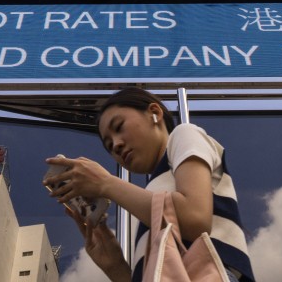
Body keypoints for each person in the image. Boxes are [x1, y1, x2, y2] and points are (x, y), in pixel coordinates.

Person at [44, 88, 254, 282]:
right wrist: (115, 265)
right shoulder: (152, 197)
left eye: (119, 127)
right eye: (108, 146)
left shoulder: (184, 134)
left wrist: (105, 183)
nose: (116, 145)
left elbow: (195, 218)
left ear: (155, 112)